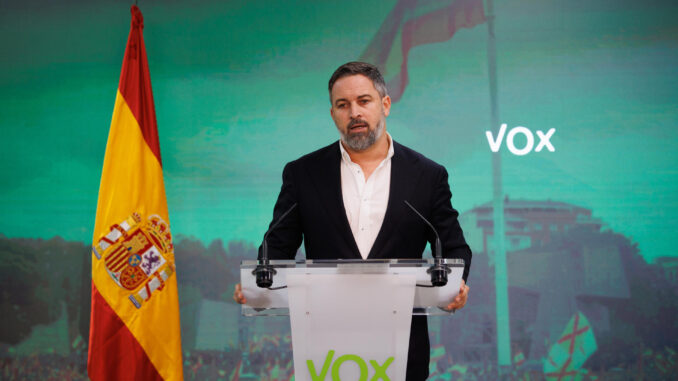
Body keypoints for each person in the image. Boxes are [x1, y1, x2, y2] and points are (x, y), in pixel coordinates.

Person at [234, 61, 471, 380]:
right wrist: (259, 288)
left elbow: (454, 248)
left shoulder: (427, 176)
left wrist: (455, 288)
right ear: (332, 113)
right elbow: (277, 247)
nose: (354, 112)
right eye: (342, 105)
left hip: (402, 352)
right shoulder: (303, 174)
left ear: (385, 104)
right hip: (326, 353)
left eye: (364, 101)